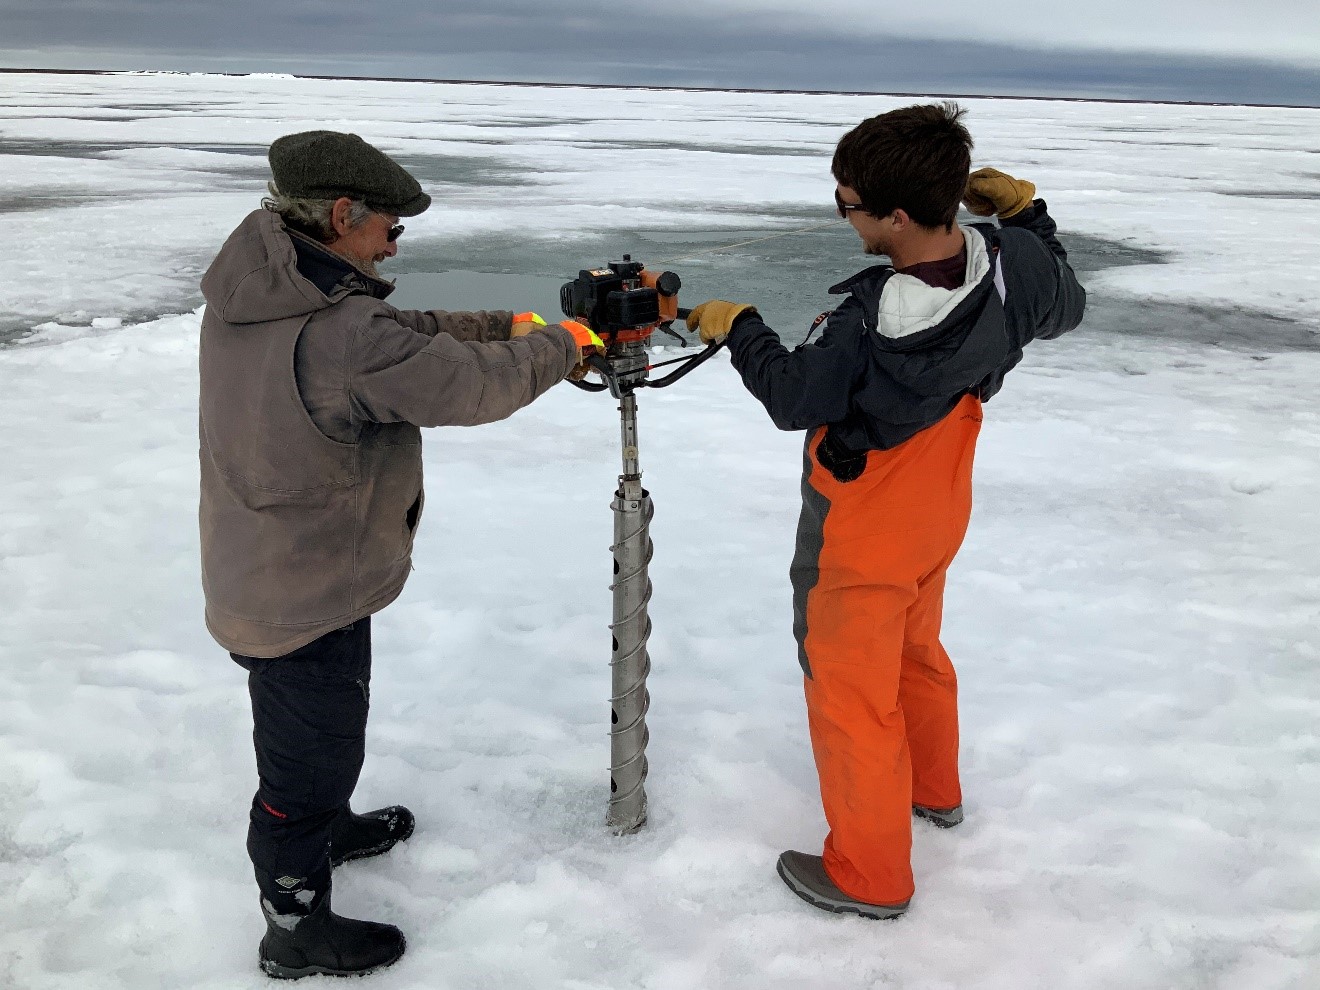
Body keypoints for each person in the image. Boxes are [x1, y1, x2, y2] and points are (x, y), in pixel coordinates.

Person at [198, 130, 601, 978]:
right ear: (343, 214)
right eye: (391, 228)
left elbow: (395, 330)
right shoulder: (339, 329)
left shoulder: (268, 283)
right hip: (302, 589)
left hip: (277, 562)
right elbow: (467, 385)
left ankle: (327, 826)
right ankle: (294, 929)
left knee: (326, 735)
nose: (392, 244)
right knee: (301, 770)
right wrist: (568, 343)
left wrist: (503, 322)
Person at [685, 103, 1086, 920]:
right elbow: (1064, 293)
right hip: (938, 506)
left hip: (862, 523)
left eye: (849, 205)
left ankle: (870, 874)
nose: (845, 218)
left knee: (849, 685)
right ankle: (934, 793)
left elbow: (798, 398)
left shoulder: (864, 323)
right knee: (914, 644)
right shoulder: (1014, 266)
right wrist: (1024, 212)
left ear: (896, 216)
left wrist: (744, 330)